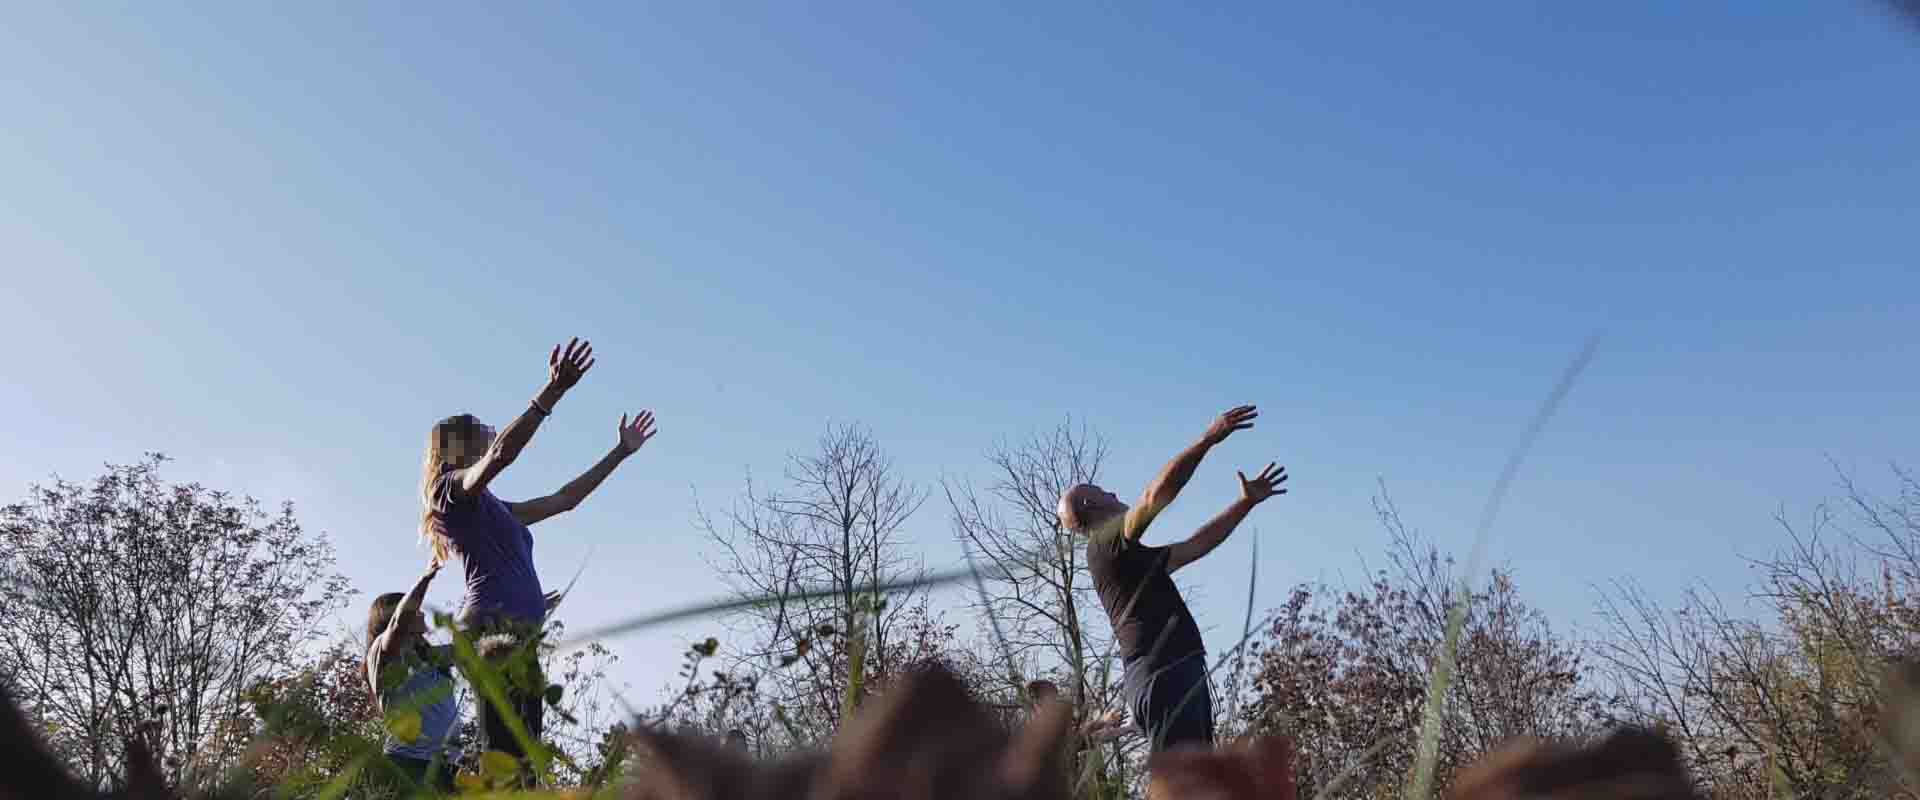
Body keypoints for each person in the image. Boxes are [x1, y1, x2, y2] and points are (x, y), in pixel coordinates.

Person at [418, 337, 659, 778]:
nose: (492, 432)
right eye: (483, 431)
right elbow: (501, 454)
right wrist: (554, 391)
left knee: (523, 759)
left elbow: (565, 499)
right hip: (492, 635)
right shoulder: (450, 492)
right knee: (508, 759)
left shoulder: (496, 508)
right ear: (458, 447)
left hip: (519, 635)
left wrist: (620, 453)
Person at [1058, 405, 1287, 754]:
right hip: (1165, 674)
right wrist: (1208, 440)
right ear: (1091, 505)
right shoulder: (1105, 545)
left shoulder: (1124, 559)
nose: (1117, 495)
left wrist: (1245, 504)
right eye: (1105, 492)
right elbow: (1154, 497)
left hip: (1170, 674)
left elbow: (1197, 545)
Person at [366, 558, 461, 793]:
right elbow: (400, 621)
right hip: (408, 767)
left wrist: (524, 614)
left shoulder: (429, 657)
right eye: (416, 611)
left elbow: (479, 647)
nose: (421, 614)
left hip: (445, 768)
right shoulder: (383, 652)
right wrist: (425, 579)